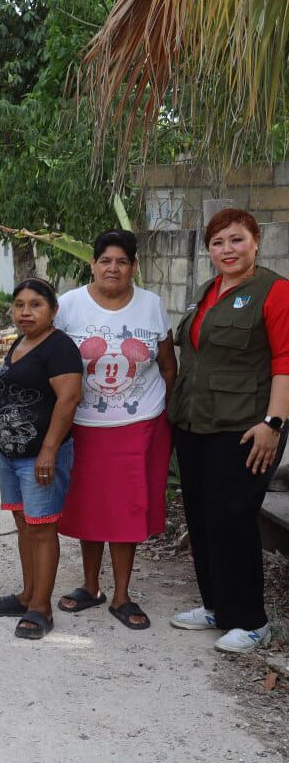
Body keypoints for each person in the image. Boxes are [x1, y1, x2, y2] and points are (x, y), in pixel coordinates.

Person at [168, 208, 289, 654]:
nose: (227, 250)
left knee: (234, 518)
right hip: (195, 422)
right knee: (202, 517)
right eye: (218, 243)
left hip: (245, 427)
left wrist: (273, 423)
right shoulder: (209, 291)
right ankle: (217, 606)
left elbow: (285, 361)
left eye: (236, 240)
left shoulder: (275, 291)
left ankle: (252, 621)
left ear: (256, 241)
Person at [55, 230, 176, 630]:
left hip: (139, 426)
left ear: (133, 267)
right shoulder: (68, 306)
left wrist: (163, 414)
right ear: (92, 264)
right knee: (89, 506)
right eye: (105, 260)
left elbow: (168, 365)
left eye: (122, 261)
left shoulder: (151, 305)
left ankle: (122, 595)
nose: (113, 268)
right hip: (84, 424)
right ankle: (90, 587)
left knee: (127, 509)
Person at [0, 279, 82, 640]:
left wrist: (49, 449)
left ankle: (41, 607)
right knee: (24, 524)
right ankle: (28, 594)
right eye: (19, 305)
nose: (25, 312)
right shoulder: (21, 343)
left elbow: (69, 399)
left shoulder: (60, 347)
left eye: (36, 305)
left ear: (53, 310)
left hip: (39, 456)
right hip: (12, 455)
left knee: (41, 528)